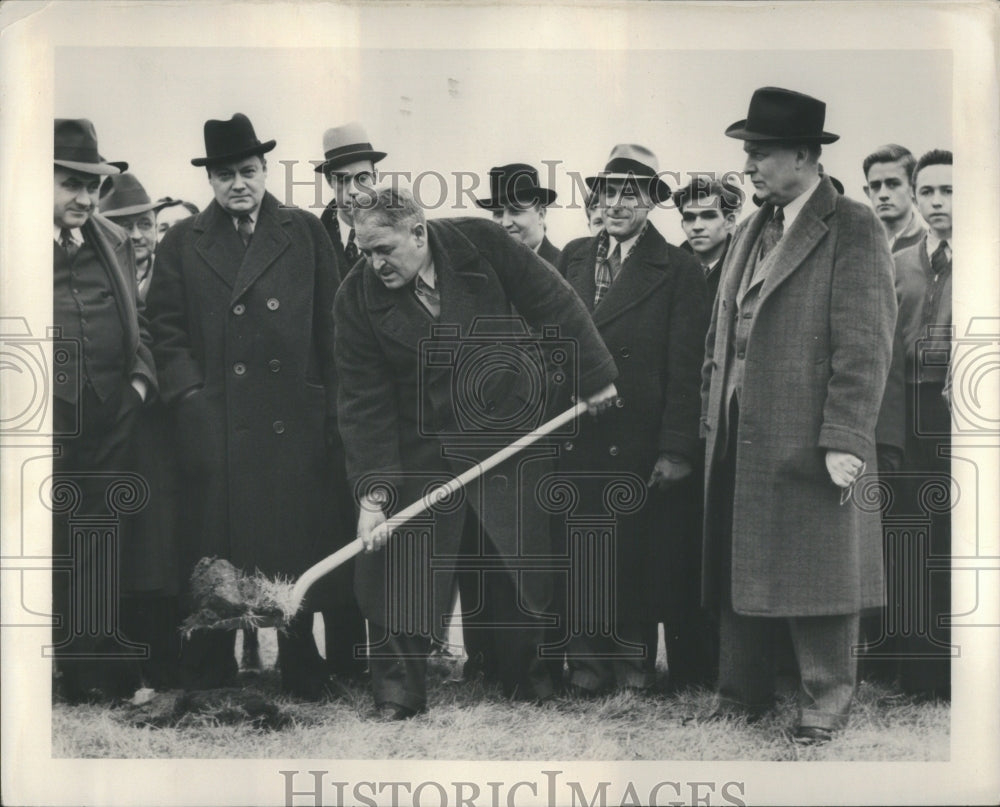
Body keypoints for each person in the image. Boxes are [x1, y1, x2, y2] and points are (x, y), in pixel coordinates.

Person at [334, 186, 618, 720]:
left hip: (503, 428)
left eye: (384, 249)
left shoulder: (481, 241)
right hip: (418, 444)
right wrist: (374, 493)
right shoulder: (356, 298)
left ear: (418, 233)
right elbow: (362, 401)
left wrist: (594, 376)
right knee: (403, 567)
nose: (375, 264)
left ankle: (525, 680)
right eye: (365, 251)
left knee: (514, 561)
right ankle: (398, 692)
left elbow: (550, 298)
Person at [701, 87, 896, 746]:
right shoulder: (755, 226)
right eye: (748, 153)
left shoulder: (854, 225)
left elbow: (866, 343)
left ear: (806, 156)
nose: (750, 166)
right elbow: (722, 334)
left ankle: (824, 699)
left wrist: (844, 435)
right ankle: (740, 693)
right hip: (737, 433)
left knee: (822, 569)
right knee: (740, 562)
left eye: (760, 153)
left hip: (811, 437)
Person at [146, 113, 350, 699]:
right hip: (217, 421)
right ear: (210, 179)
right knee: (216, 546)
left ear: (265, 171)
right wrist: (190, 399)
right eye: (227, 174)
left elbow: (331, 328)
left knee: (294, 541)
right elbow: (164, 329)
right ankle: (211, 657)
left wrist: (330, 405)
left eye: (249, 171)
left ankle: (299, 654)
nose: (240, 183)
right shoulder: (183, 241)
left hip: (294, 418)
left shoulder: (306, 231)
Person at [556, 144, 716, 695]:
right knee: (582, 552)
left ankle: (631, 669)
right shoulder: (572, 256)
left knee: (634, 556)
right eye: (608, 190)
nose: (617, 202)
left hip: (638, 440)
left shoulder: (676, 268)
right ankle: (585, 666)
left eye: (632, 192)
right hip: (577, 432)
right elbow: (553, 340)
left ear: (651, 201)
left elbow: (686, 366)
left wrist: (677, 448)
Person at [51, 118, 157, 702]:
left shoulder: (109, 239)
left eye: (91, 187)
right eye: (70, 184)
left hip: (111, 416)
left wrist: (139, 386)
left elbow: (137, 324)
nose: (85, 199)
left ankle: (91, 672)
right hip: (41, 424)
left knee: (98, 541)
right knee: (38, 545)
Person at [99, 172, 184, 688]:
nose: (138, 235)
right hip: (111, 427)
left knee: (162, 547)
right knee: (118, 548)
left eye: (146, 224)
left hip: (162, 431)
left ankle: (165, 663)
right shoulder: (100, 270)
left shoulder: (170, 270)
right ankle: (115, 666)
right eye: (126, 225)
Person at [890, 149, 953, 699]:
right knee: (910, 534)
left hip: (965, 416)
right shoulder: (901, 260)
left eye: (950, 192)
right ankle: (918, 672)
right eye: (929, 191)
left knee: (960, 538)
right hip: (909, 410)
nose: (938, 202)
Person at [316, 122, 386, 271]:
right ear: (330, 181)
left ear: (375, 177)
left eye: (362, 179)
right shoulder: (313, 240)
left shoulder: (397, 234)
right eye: (343, 179)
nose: (353, 190)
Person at [673, 176, 744, 303]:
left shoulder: (745, 270)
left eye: (709, 216)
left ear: (729, 221)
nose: (697, 227)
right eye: (690, 218)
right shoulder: (669, 272)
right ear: (682, 224)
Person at [475, 163, 562, 266]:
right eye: (498, 213)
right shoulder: (488, 269)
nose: (505, 223)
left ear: (541, 215)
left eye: (515, 211)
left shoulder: (564, 270)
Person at [862, 144, 927, 254]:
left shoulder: (931, 245)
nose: (883, 195)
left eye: (893, 184)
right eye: (875, 186)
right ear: (868, 192)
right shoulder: (855, 245)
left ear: (913, 189)